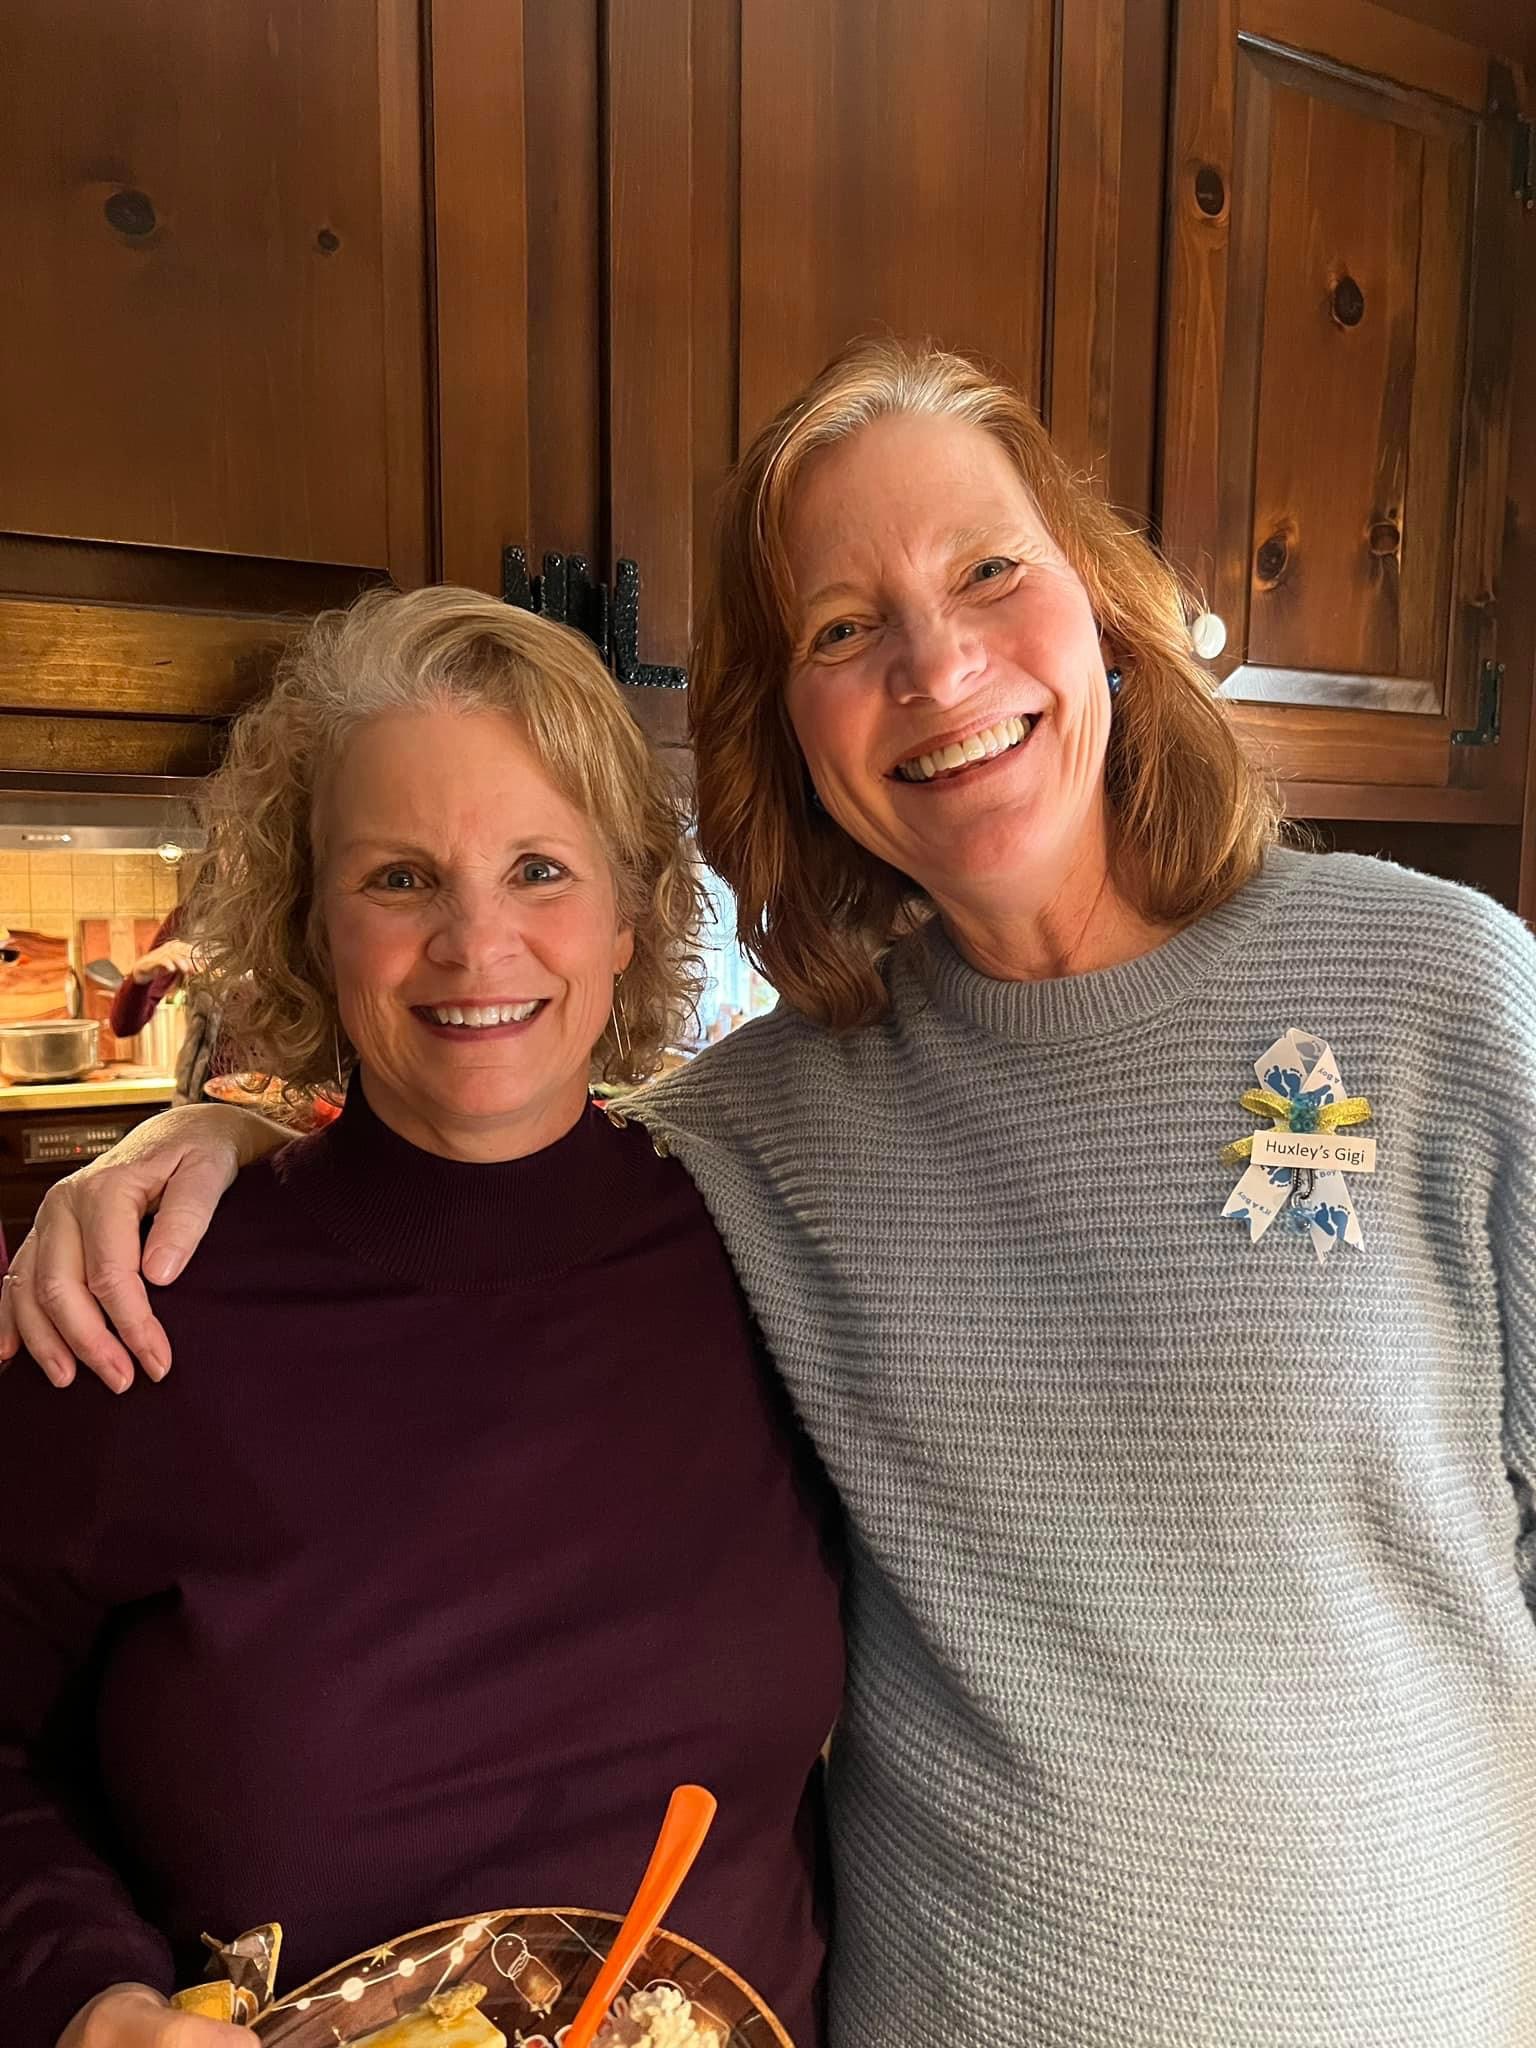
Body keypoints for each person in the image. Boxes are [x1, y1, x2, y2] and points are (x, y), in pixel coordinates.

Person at [7, 338, 1536, 2048]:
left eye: (988, 570)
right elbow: (472, 1153)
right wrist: (209, 1136)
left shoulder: (1444, 997)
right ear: (792, 727)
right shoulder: (770, 1130)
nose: (938, 666)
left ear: (1105, 603)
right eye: (841, 628)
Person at [0, 589, 843, 2048]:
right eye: (400, 878)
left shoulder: (769, 1252)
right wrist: (92, 1996)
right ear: (309, 923)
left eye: (539, 870)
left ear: (631, 918)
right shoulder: (141, 1306)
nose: (475, 943)